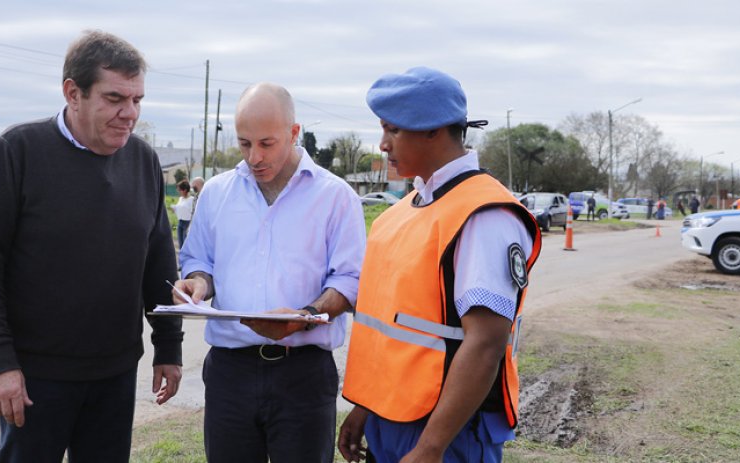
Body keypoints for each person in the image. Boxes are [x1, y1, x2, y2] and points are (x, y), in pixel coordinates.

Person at [0, 30, 183, 462]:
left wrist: (168, 346)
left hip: (115, 373)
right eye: (115, 98)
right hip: (34, 379)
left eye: (137, 100)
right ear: (73, 92)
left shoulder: (144, 161)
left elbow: (157, 261)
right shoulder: (16, 153)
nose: (129, 113)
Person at [338, 67, 542, 463]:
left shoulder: (484, 215)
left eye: (393, 130)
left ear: (432, 129)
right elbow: (392, 327)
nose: (383, 145)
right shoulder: (399, 214)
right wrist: (365, 407)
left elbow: (485, 342)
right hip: (391, 417)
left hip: (447, 432)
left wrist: (431, 447)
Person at [174, 83, 365, 463]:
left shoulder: (335, 196)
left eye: (266, 143)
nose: (254, 157)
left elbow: (350, 280)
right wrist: (197, 282)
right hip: (230, 372)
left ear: (294, 133)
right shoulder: (216, 193)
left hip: (303, 375)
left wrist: (303, 317)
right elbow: (200, 260)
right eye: (244, 144)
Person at [172, 179, 195, 248]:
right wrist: (174, 209)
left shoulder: (192, 200)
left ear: (184, 190)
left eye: (179, 190)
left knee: (186, 245)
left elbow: (193, 213)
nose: (178, 192)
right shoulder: (180, 199)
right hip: (180, 223)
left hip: (187, 224)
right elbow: (179, 208)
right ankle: (181, 258)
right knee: (180, 244)